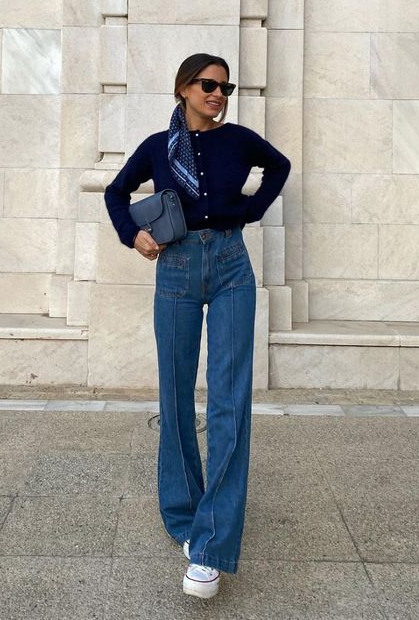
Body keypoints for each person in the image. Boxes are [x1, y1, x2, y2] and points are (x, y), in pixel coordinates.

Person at [104, 53, 291, 599]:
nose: (218, 95)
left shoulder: (240, 140)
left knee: (230, 399)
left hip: (232, 266)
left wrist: (251, 211)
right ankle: (185, 515)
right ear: (183, 88)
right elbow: (117, 193)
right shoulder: (157, 147)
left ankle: (211, 545)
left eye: (225, 88)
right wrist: (133, 235)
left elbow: (279, 167)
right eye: (209, 85)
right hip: (177, 269)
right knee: (176, 395)